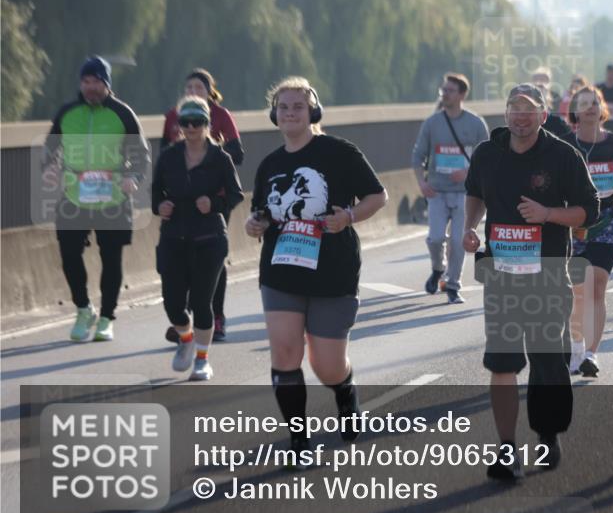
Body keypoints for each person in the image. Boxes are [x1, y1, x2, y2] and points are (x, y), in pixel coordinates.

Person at [245, 76, 388, 464]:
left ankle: (344, 391)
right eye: (284, 107)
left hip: (333, 271)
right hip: (281, 270)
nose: (291, 112)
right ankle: (298, 441)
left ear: (313, 113)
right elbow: (261, 212)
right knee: (286, 352)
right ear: (275, 115)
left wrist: (350, 216)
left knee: (326, 365)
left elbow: (378, 196)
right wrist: (254, 224)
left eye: (298, 106)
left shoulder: (339, 152)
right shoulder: (271, 164)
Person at [462, 83, 599, 480]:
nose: (520, 116)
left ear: (543, 114)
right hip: (501, 276)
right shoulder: (488, 154)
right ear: (505, 114)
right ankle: (506, 449)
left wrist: (548, 213)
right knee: (502, 363)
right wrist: (470, 228)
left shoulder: (562, 156)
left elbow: (589, 212)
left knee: (546, 358)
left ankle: (547, 432)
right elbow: (474, 193)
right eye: (513, 109)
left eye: (529, 109)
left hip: (548, 274)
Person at [42, 56, 150, 342]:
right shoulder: (67, 113)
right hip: (74, 196)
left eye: (96, 82)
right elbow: (49, 152)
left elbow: (141, 156)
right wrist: (50, 168)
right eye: (86, 81)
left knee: (111, 259)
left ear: (107, 84)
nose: (90, 87)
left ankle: (106, 317)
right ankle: (83, 308)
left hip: (113, 197)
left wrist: (134, 178)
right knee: (68, 255)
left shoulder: (123, 114)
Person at [152, 97, 244, 380]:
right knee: (173, 302)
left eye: (198, 122)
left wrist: (214, 205)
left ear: (207, 124)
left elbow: (236, 194)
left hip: (209, 237)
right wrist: (160, 206)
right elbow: (155, 193)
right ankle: (186, 338)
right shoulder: (168, 156)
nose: (191, 127)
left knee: (203, 302)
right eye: (186, 122)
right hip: (173, 237)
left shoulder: (220, 158)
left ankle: (202, 360)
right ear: (179, 125)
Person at [562, 86, 613, 377]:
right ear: (575, 111)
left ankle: (592, 354)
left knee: (598, 287)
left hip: (608, 221)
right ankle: (577, 348)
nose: (590, 108)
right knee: (579, 292)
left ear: (602, 108)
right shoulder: (565, 145)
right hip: (575, 225)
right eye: (584, 103)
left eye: (595, 103)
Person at [412, 73, 489, 304]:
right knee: (435, 239)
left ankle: (453, 285)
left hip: (465, 194)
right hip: (437, 192)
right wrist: (422, 182)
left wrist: (467, 173)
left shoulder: (475, 124)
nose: (444, 94)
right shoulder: (432, 123)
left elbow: (486, 158)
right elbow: (418, 155)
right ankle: (438, 268)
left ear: (462, 94)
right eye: (443, 90)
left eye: (450, 90)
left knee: (458, 241)